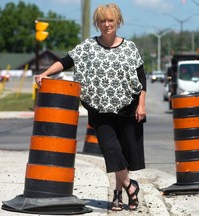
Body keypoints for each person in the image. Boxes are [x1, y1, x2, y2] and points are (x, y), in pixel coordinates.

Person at [34, 3, 146, 212]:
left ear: (118, 22)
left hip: (127, 108)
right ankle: (131, 187)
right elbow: (67, 61)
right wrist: (46, 74)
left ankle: (117, 195)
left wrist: (141, 105)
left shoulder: (130, 48)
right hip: (99, 109)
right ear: (97, 23)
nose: (106, 24)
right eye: (102, 21)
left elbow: (142, 79)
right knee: (111, 151)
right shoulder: (88, 46)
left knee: (123, 154)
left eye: (110, 20)